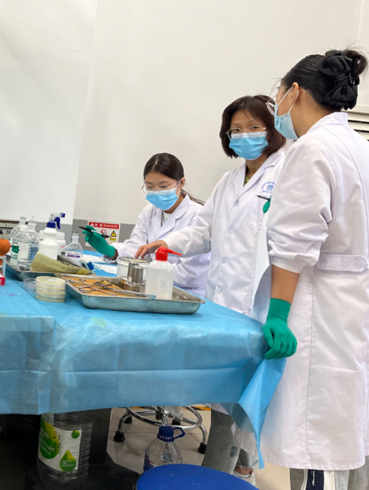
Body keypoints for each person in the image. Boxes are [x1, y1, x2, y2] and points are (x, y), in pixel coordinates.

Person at [137, 95, 287, 483]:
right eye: (235, 129)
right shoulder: (230, 180)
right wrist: (169, 243)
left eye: (253, 127)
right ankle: (234, 469)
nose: (244, 136)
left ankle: (226, 474)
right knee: (226, 400)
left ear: (272, 129)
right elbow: (203, 231)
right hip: (223, 303)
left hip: (259, 304)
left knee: (238, 405)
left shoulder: (287, 172)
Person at [258, 50, 369, 490]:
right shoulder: (367, 151)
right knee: (352, 436)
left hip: (321, 321)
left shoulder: (312, 148)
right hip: (360, 319)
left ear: (295, 92)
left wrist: (277, 314)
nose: (277, 107)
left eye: (277, 95)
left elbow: (293, 247)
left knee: (318, 445)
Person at [84, 153, 210, 296]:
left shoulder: (198, 216)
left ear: (181, 183)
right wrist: (112, 251)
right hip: (152, 287)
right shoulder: (150, 211)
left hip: (186, 293)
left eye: (163, 186)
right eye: (150, 187)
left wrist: (146, 271)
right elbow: (138, 249)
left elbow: (191, 274)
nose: (157, 192)